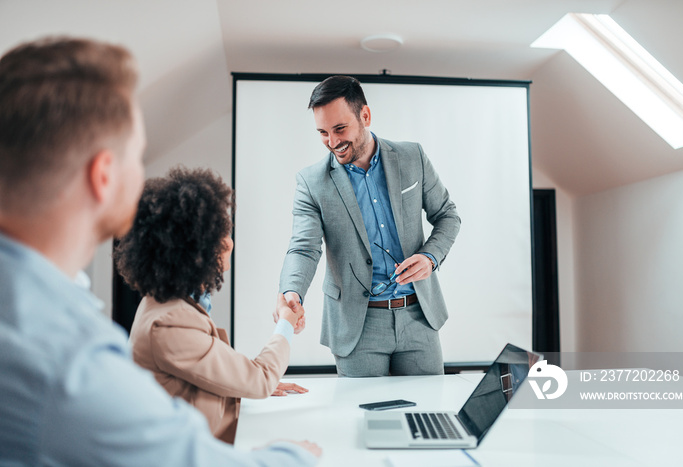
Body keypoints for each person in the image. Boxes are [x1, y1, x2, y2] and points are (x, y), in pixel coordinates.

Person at [0, 36, 320, 465]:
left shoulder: (35, 314)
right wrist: (293, 455)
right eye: (139, 154)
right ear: (105, 175)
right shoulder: (68, 357)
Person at [277, 75, 461, 377]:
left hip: (419, 316)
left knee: (427, 414)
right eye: (322, 132)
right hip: (357, 326)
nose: (333, 142)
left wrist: (430, 258)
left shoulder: (412, 156)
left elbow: (448, 215)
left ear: (365, 115)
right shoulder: (311, 182)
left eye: (340, 129)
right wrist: (291, 292)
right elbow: (303, 247)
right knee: (364, 422)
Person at [114, 166, 308, 444]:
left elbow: (198, 378)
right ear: (192, 249)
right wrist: (285, 323)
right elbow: (261, 378)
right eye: (219, 233)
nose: (229, 242)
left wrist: (240, 385)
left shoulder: (165, 303)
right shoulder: (170, 322)